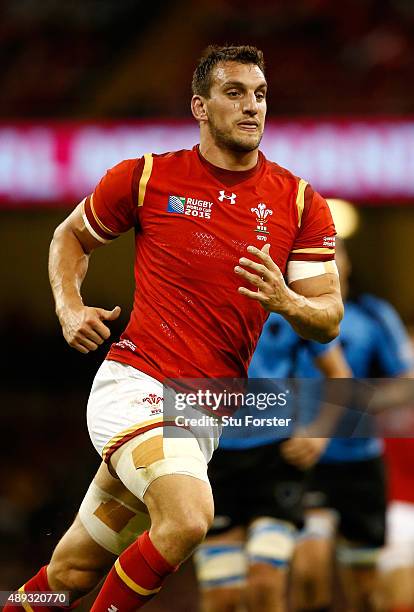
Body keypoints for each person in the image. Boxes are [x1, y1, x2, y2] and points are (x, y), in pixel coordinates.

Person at [5, 45, 343, 612]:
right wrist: (69, 308)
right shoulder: (148, 177)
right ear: (200, 106)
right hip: (136, 387)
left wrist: (286, 299)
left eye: (260, 95)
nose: (252, 107)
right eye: (234, 93)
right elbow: (70, 237)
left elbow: (328, 318)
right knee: (189, 520)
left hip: (198, 417)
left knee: (71, 569)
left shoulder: (301, 201)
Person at [194, 313, 351, 612]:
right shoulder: (201, 299)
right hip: (215, 460)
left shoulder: (290, 304)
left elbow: (339, 374)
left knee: (265, 582)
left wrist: (319, 435)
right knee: (220, 600)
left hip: (276, 459)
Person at [291, 239, 414, 612]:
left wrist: (354, 401)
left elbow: (404, 385)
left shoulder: (373, 315)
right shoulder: (280, 317)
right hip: (306, 462)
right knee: (309, 569)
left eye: (332, 257)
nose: (325, 266)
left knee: (364, 591)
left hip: (359, 463)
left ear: (346, 263)